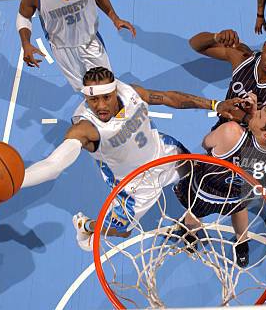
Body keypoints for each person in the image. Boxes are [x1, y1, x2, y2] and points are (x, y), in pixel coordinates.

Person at [20, 67, 240, 251]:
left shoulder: (130, 92)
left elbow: (168, 98)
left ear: (115, 91)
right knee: (122, 231)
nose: (101, 105)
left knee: (199, 180)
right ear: (86, 97)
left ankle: (189, 222)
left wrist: (215, 105)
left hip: (164, 153)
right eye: (93, 99)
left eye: (106, 97)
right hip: (134, 184)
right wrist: (18, 181)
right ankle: (86, 225)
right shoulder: (86, 128)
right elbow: (53, 166)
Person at [173, 93, 266, 267]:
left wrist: (237, 123)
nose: (256, 111)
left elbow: (206, 144)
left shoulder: (231, 132)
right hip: (237, 196)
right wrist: (253, 120)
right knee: (240, 211)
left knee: (193, 214)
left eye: (259, 115)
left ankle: (190, 236)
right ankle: (242, 245)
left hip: (207, 191)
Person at [16, 0, 136, 91]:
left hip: (90, 42)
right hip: (62, 49)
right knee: (83, 89)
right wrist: (25, 43)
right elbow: (23, 17)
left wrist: (114, 17)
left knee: (105, 85)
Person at [189, 28, 266, 149]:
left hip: (255, 147)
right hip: (224, 132)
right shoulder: (243, 57)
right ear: (264, 46)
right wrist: (216, 36)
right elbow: (195, 44)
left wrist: (259, 150)